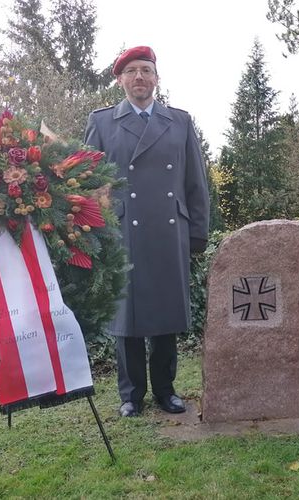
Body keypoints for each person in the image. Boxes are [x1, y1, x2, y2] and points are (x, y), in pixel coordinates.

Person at [85, 46, 210, 417]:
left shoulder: (180, 121)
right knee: (128, 319)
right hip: (123, 231)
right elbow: (89, 184)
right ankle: (131, 395)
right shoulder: (102, 122)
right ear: (121, 80)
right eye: (132, 72)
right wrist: (94, 233)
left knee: (165, 314)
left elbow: (195, 182)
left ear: (156, 78)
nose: (139, 77)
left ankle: (166, 391)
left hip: (169, 230)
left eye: (146, 70)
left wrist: (198, 233)